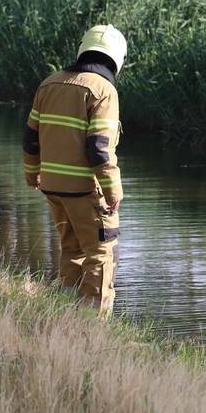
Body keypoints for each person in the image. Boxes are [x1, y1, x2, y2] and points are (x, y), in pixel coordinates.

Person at [23, 25, 127, 315]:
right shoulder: (103, 91)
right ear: (117, 58)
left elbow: (30, 138)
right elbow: (99, 147)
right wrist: (112, 190)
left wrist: (32, 174)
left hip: (53, 188)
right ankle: (94, 326)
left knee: (72, 250)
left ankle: (66, 314)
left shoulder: (49, 84)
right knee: (101, 252)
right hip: (85, 190)